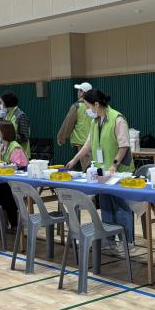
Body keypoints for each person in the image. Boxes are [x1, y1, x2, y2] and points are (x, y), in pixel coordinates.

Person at [66, 89, 135, 252]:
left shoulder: (117, 119)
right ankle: (109, 239)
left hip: (119, 172)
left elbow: (124, 145)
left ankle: (128, 242)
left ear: (96, 104)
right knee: (106, 205)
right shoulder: (95, 121)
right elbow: (88, 144)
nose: (87, 109)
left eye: (88, 105)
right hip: (102, 172)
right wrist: (74, 160)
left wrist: (114, 165)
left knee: (121, 206)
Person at [0, 121, 29, 228]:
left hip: (16, 181)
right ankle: (2, 211)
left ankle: (13, 221)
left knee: (5, 192)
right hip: (6, 179)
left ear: (4, 132)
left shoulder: (15, 147)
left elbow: (16, 166)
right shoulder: (3, 146)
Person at [57, 82, 94, 170]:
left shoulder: (77, 106)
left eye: (79, 90)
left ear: (82, 93)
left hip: (83, 142)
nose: (78, 92)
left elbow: (68, 124)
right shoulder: (95, 105)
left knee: (88, 169)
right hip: (95, 141)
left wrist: (61, 138)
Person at [0, 93, 31, 158]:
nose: (1, 105)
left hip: (21, 153)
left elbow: (25, 136)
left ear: (7, 102)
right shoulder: (6, 115)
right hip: (9, 152)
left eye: (1, 102)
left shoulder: (20, 116)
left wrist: (8, 137)